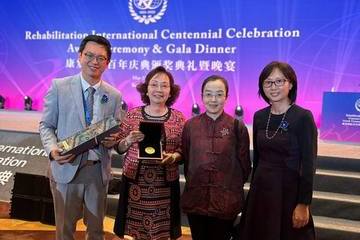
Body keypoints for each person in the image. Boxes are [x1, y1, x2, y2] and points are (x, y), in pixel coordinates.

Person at [39, 35, 124, 240]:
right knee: (64, 231)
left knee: (96, 232)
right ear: (79, 56)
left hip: (97, 173)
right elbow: (46, 126)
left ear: (107, 63)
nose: (94, 61)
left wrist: (113, 141)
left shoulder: (114, 95)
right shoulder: (59, 87)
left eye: (101, 58)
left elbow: (115, 131)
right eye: (89, 55)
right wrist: (52, 150)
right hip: (66, 169)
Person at [239, 61, 317, 240]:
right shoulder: (259, 116)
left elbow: (308, 165)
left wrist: (303, 203)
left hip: (288, 193)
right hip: (261, 191)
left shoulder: (303, 117)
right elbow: (257, 159)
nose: (273, 87)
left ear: (290, 84)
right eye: (268, 82)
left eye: (279, 81)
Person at [113, 66, 185, 240]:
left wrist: (174, 157)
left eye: (164, 86)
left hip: (164, 186)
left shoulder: (179, 118)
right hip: (136, 185)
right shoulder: (132, 115)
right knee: (137, 232)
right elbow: (118, 147)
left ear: (171, 91)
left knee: (162, 232)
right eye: (154, 84)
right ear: (146, 88)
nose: (159, 90)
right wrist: (128, 140)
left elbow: (184, 150)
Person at [181, 75, 251, 240]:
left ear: (226, 97)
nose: (214, 99)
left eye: (219, 94)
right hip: (196, 199)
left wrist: (228, 186)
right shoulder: (190, 126)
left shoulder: (236, 127)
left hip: (225, 201)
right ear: (202, 96)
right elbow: (187, 159)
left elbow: (245, 165)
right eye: (208, 94)